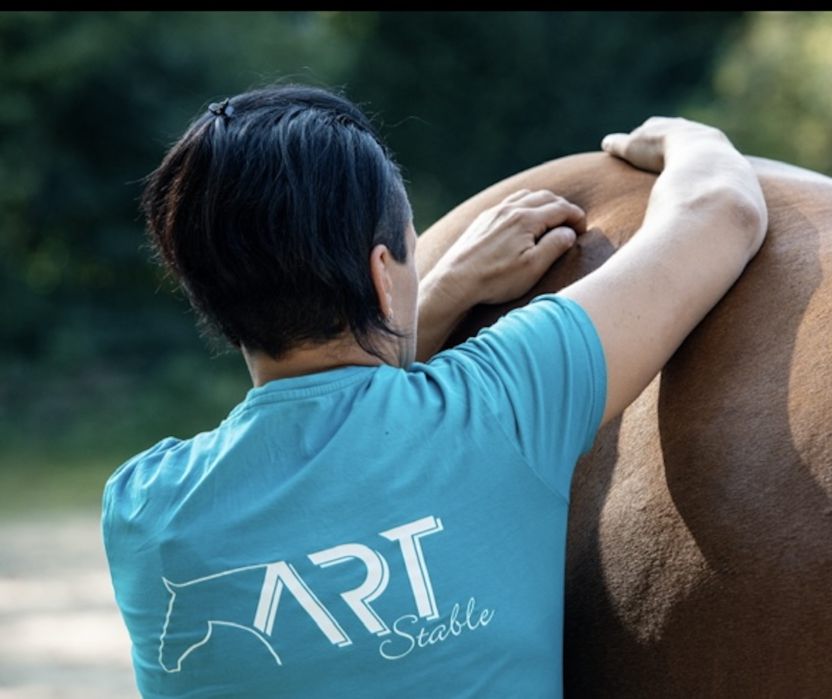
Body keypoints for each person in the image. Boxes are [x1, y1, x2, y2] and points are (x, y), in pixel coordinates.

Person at [102, 83, 766, 698]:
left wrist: (436, 293)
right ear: (381, 272)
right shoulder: (498, 404)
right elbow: (723, 209)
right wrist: (685, 135)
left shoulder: (143, 514)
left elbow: (311, 450)